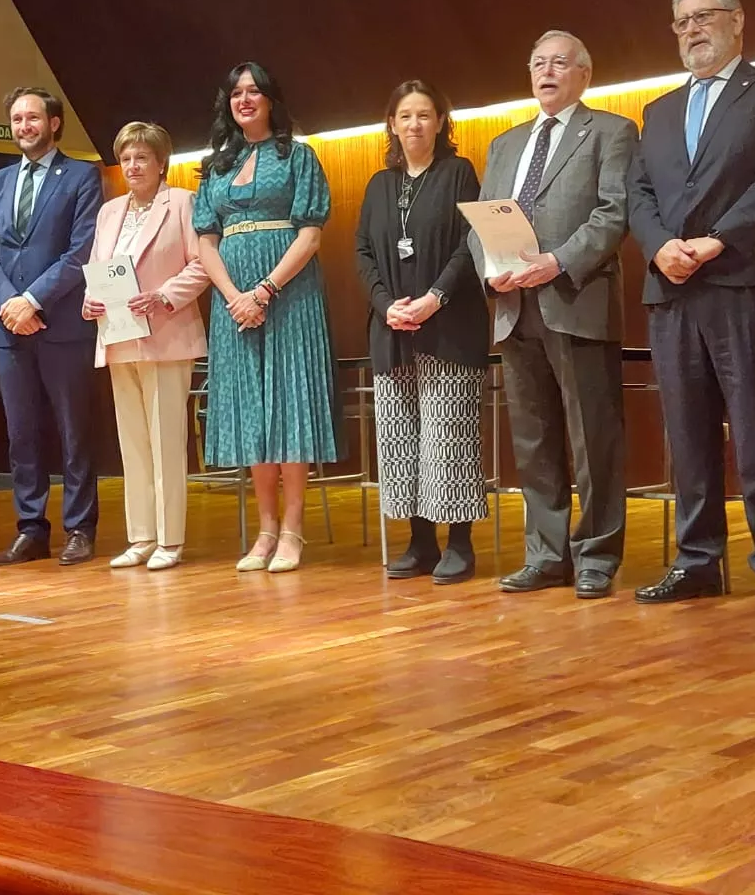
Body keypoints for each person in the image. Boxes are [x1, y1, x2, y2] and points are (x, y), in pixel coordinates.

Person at [627, 0, 755, 615]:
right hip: (673, 291)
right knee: (688, 435)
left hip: (750, 282)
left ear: (737, 21)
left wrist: (715, 242)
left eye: (704, 17)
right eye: (681, 22)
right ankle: (698, 561)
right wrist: (658, 248)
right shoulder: (657, 111)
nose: (692, 30)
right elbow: (639, 195)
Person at [473, 31, 636, 599]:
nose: (547, 72)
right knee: (533, 438)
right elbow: (482, 221)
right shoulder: (505, 143)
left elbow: (614, 213)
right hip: (514, 306)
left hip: (576, 298)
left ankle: (595, 555)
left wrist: (558, 261)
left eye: (559, 63)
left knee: (593, 437)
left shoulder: (612, 131)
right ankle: (545, 554)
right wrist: (489, 271)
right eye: (537, 63)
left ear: (584, 74)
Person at [193, 62, 339, 573]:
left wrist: (266, 289)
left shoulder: (299, 157)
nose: (245, 99)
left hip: (289, 295)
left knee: (288, 405)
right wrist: (235, 295)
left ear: (272, 100)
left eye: (255, 91)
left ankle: (294, 530)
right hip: (233, 302)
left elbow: (311, 233)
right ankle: (265, 529)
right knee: (252, 411)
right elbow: (205, 240)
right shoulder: (215, 167)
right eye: (236, 93)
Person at [354, 81, 490, 584]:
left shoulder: (459, 174)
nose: (415, 125)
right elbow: (363, 252)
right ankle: (419, 540)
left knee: (447, 437)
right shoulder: (377, 185)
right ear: (392, 124)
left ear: (439, 123)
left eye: (425, 115)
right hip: (393, 331)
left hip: (449, 327)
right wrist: (387, 305)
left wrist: (435, 298)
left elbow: (468, 244)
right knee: (401, 440)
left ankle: (459, 543)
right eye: (405, 116)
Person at [0, 87, 104, 567]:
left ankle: (80, 528)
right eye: (16, 119)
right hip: (9, 328)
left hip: (63, 324)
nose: (23, 126)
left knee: (75, 432)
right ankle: (31, 528)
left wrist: (33, 299)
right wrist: (10, 301)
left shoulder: (82, 176)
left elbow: (82, 250)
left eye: (32, 118)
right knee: (21, 434)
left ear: (54, 123)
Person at [83, 122, 210, 571]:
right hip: (119, 337)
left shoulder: (181, 203)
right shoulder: (109, 212)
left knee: (166, 441)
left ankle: (170, 540)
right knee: (132, 442)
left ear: (161, 164)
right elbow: (98, 270)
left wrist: (163, 295)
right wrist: (90, 303)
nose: (133, 166)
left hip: (167, 335)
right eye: (127, 157)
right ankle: (140, 536)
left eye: (142, 157)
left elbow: (203, 265)